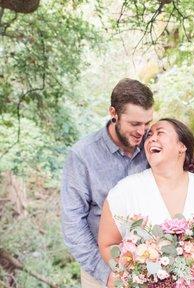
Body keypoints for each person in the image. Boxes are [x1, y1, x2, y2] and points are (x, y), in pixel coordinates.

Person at [61, 78, 154, 288]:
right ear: (113, 113)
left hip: (151, 266)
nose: (142, 131)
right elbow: (72, 223)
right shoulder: (82, 155)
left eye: (147, 123)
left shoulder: (152, 144)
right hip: (100, 272)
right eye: (135, 124)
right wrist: (106, 274)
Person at [98, 118, 194, 268]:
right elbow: (108, 245)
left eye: (160, 133)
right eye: (149, 135)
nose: (152, 138)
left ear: (181, 146)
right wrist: (137, 274)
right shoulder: (125, 190)